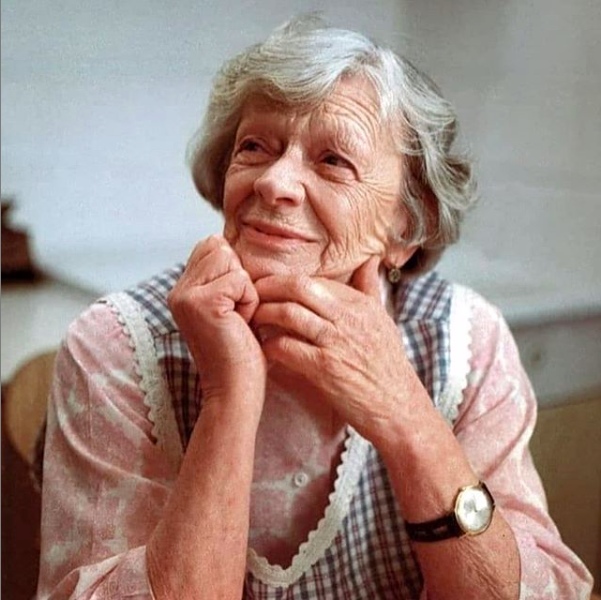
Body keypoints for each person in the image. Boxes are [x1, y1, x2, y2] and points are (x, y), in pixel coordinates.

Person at [36, 15, 593, 599]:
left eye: (333, 161)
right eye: (255, 147)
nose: (274, 182)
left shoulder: (466, 342)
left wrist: (406, 414)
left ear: (405, 228)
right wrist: (229, 398)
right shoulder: (118, 346)